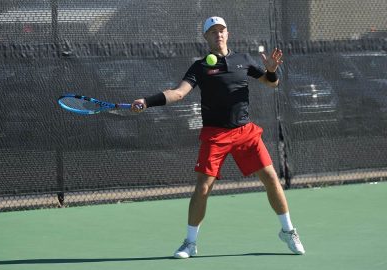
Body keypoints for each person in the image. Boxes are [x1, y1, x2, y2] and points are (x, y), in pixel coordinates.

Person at [131, 16, 305, 258]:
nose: (218, 35)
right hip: (215, 135)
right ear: (206, 38)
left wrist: (272, 71)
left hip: (245, 132)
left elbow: (270, 83)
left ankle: (288, 231)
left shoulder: (243, 60)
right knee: (203, 188)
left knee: (271, 178)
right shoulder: (200, 67)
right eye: (213, 32)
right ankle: (190, 243)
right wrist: (147, 101)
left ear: (228, 34)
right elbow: (179, 93)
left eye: (221, 30)